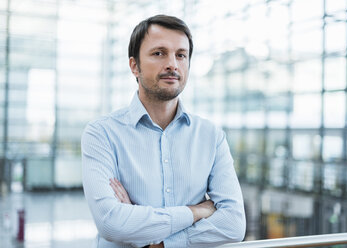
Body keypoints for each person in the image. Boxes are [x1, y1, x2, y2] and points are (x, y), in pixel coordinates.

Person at [81, 14, 246, 248]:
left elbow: (234, 224)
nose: (173, 64)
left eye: (181, 55)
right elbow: (111, 222)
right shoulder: (102, 133)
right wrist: (195, 211)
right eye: (159, 53)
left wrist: (161, 244)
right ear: (134, 66)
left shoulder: (212, 136)